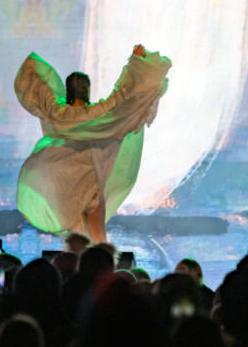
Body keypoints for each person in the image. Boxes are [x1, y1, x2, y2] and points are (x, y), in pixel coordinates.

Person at [13, 44, 171, 242]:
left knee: (77, 239)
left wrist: (34, 68)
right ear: (87, 90)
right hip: (89, 182)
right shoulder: (97, 116)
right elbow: (123, 98)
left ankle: (80, 260)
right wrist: (136, 63)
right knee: (97, 237)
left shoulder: (57, 113)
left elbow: (36, 91)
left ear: (68, 91)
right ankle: (100, 261)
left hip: (61, 183)